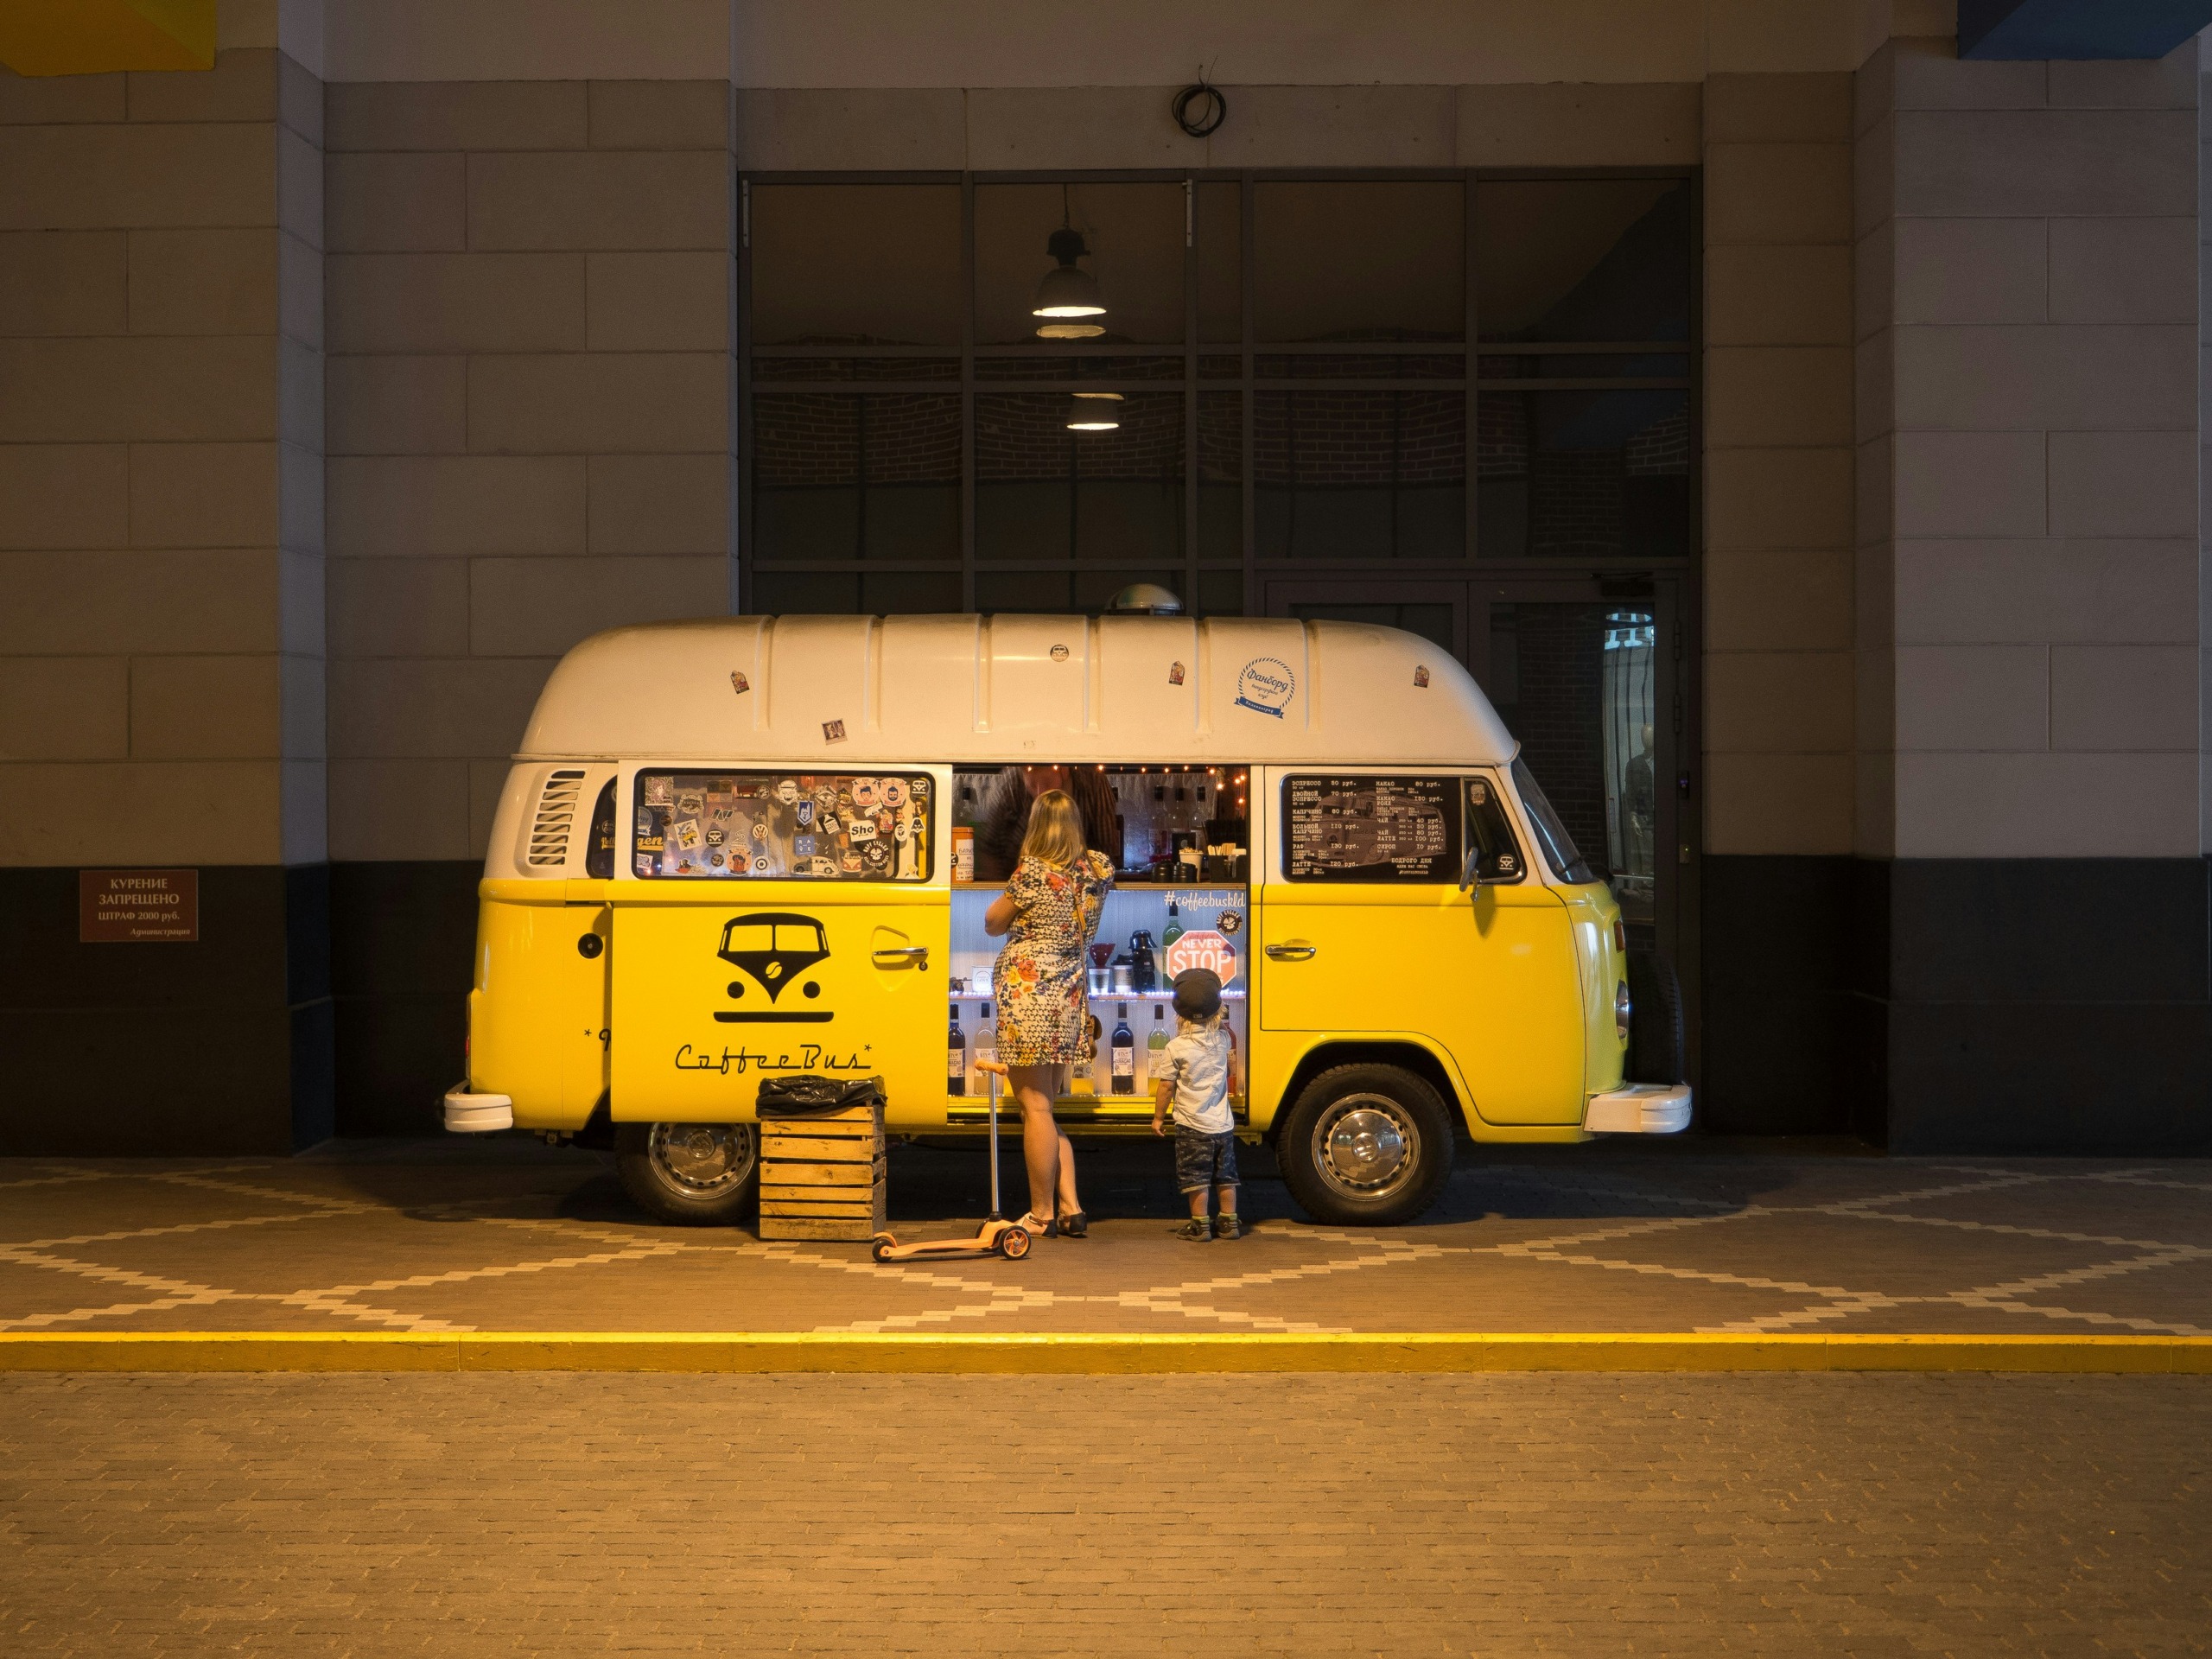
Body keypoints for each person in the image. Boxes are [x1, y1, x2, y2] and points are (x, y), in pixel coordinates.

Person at [983, 789, 1114, 1237]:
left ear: (1036, 826)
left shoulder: (1033, 873)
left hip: (1030, 999)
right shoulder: (1097, 870)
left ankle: (1039, 1216)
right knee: (1047, 1108)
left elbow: (992, 921)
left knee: (1034, 1107)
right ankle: (1070, 1207)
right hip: (1071, 997)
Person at [1150, 968, 1239, 1241]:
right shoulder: (1223, 1039)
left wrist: (1158, 1118)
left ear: (1179, 1014)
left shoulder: (1176, 1047)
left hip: (1192, 1126)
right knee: (1225, 1176)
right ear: (1218, 1010)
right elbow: (1230, 1071)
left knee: (1196, 1177)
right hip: (1223, 1125)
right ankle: (1229, 1223)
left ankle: (1200, 1225)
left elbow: (1166, 1087)